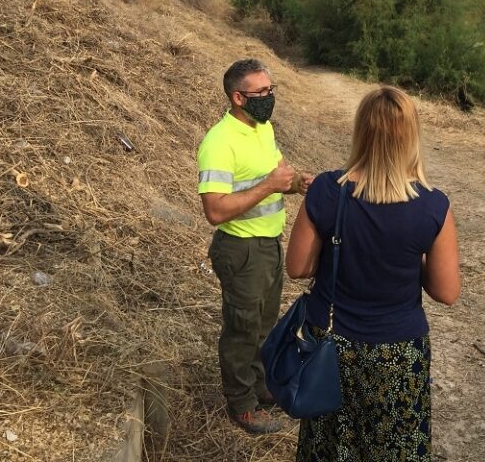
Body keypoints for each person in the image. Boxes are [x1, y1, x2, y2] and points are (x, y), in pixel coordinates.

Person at [286, 85, 460, 462]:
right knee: (394, 446)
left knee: (330, 443)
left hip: (330, 344)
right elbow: (447, 291)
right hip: (397, 349)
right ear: (411, 135)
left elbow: (297, 268)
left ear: (360, 131)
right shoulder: (433, 205)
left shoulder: (326, 192)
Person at [197, 58, 313, 434]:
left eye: (270, 90)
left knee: (263, 325)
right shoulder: (219, 143)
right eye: (260, 93)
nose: (268, 98)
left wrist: (298, 183)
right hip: (240, 249)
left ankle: (261, 386)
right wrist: (269, 185)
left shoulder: (262, 129)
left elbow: (279, 173)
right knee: (241, 330)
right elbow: (214, 210)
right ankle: (241, 404)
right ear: (238, 97)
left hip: (267, 246)